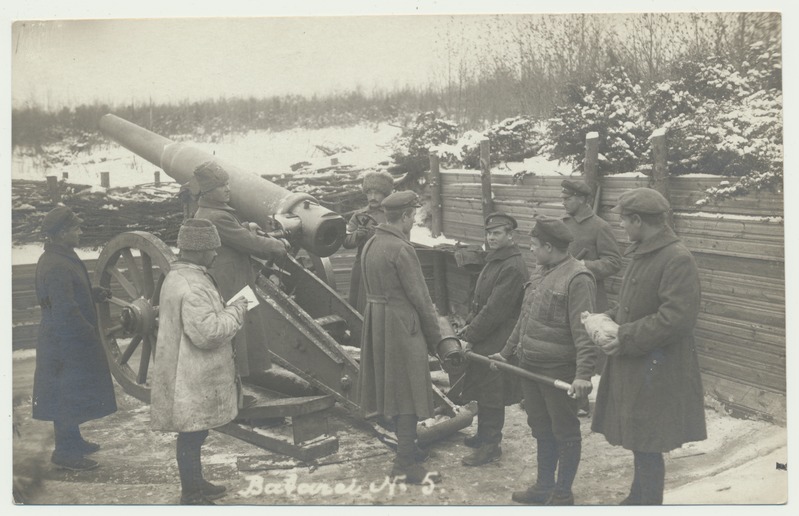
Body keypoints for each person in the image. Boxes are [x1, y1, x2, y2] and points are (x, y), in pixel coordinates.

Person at [591, 188, 706, 505]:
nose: (623, 228)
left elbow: (676, 319)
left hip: (658, 368)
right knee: (640, 438)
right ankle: (636, 498)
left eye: (625, 221)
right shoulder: (644, 251)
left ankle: (648, 504)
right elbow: (632, 305)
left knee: (649, 443)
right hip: (639, 363)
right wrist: (606, 318)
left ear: (638, 220)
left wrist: (624, 336)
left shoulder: (676, 258)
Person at [490, 216, 596, 506]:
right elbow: (525, 319)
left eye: (534, 245)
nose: (531, 250)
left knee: (564, 429)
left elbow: (585, 330)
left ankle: (563, 493)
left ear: (549, 246)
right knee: (540, 426)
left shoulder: (578, 278)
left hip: (557, 369)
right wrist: (506, 351)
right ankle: (543, 485)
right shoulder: (540, 272)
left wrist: (583, 374)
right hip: (530, 366)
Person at [151, 218, 249, 505]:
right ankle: (191, 495)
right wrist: (237, 310)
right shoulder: (193, 285)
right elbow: (208, 333)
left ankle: (196, 484)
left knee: (195, 433)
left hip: (184, 369)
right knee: (192, 435)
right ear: (198, 250)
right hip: (192, 374)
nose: (216, 253)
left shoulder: (179, 276)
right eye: (212, 248)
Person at [357, 190, 443, 485]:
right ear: (405, 216)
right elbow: (421, 299)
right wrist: (437, 340)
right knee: (407, 390)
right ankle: (404, 463)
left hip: (377, 323)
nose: (414, 221)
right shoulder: (402, 249)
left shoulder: (371, 243)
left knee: (391, 389)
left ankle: (408, 449)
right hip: (401, 325)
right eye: (413, 215)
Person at [32, 206, 117, 471]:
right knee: (66, 395)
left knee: (69, 393)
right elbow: (65, 309)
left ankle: (73, 440)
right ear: (62, 233)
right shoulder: (56, 264)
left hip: (65, 339)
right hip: (65, 342)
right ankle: (65, 453)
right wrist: (87, 333)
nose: (81, 231)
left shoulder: (61, 256)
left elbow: (68, 293)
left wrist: (92, 292)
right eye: (76, 228)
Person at [192, 161, 289, 378]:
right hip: (232, 283)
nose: (227, 189)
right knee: (241, 332)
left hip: (231, 278)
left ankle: (245, 376)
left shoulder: (209, 212)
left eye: (227, 183)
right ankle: (241, 379)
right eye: (221, 185)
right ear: (209, 191)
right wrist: (277, 245)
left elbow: (233, 235)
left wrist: (246, 227)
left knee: (244, 331)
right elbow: (247, 243)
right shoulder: (218, 216)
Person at [457, 212, 529, 467]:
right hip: (487, 334)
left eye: (497, 233)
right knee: (483, 388)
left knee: (492, 392)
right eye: (489, 232)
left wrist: (471, 335)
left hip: (498, 337)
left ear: (511, 235)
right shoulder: (497, 260)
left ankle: (491, 445)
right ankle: (483, 435)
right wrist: (469, 328)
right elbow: (479, 301)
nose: (491, 237)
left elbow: (495, 310)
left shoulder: (512, 266)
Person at [560, 179, 622, 416]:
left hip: (589, 295)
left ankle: (588, 402)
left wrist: (584, 264)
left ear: (582, 199)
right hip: (563, 293)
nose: (563, 202)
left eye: (568, 198)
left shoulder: (599, 227)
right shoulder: (562, 223)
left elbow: (614, 262)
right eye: (563, 198)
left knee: (587, 348)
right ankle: (570, 397)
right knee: (565, 345)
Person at [342, 170, 393, 313]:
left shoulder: (392, 215)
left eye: (377, 193)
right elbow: (346, 241)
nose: (372, 197)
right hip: (362, 265)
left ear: (385, 194)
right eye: (369, 193)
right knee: (358, 305)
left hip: (385, 267)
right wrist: (357, 235)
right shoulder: (359, 215)